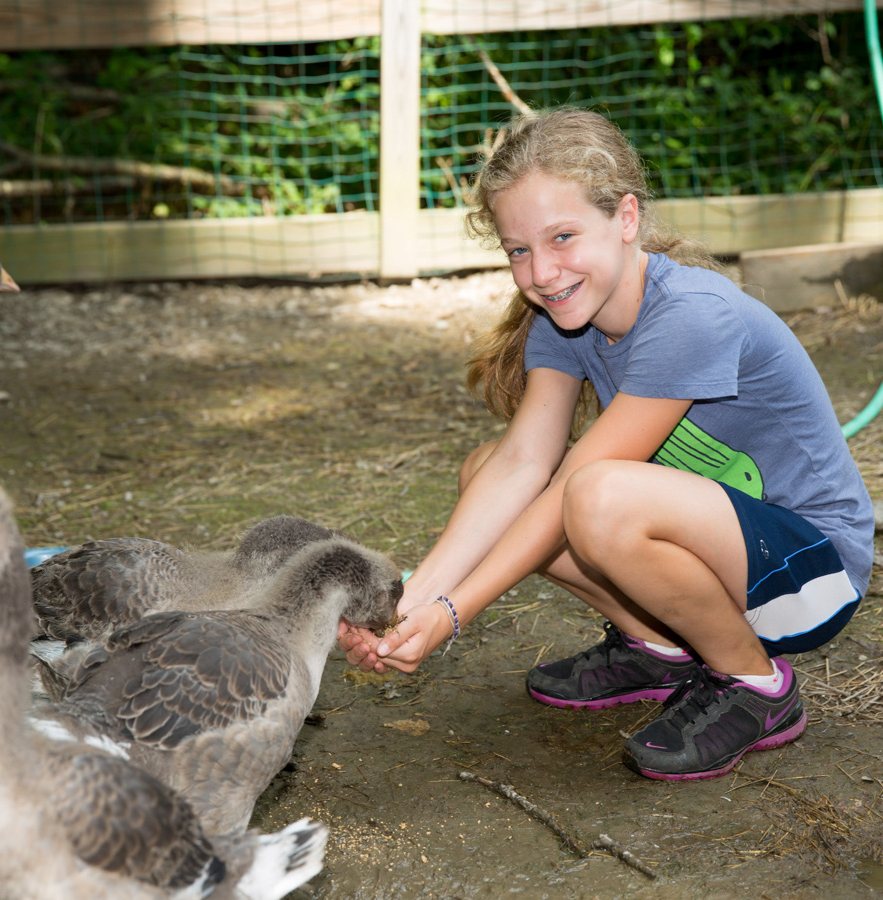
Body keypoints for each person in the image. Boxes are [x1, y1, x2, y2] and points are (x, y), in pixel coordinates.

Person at [337, 106, 874, 781]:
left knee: (597, 495)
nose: (542, 272)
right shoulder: (563, 326)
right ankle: (659, 648)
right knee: (488, 471)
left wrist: (453, 614)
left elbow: (574, 486)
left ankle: (755, 686)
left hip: (811, 574)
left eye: (563, 237)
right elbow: (520, 465)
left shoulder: (691, 316)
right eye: (520, 250)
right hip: (721, 558)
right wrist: (406, 605)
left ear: (625, 218)